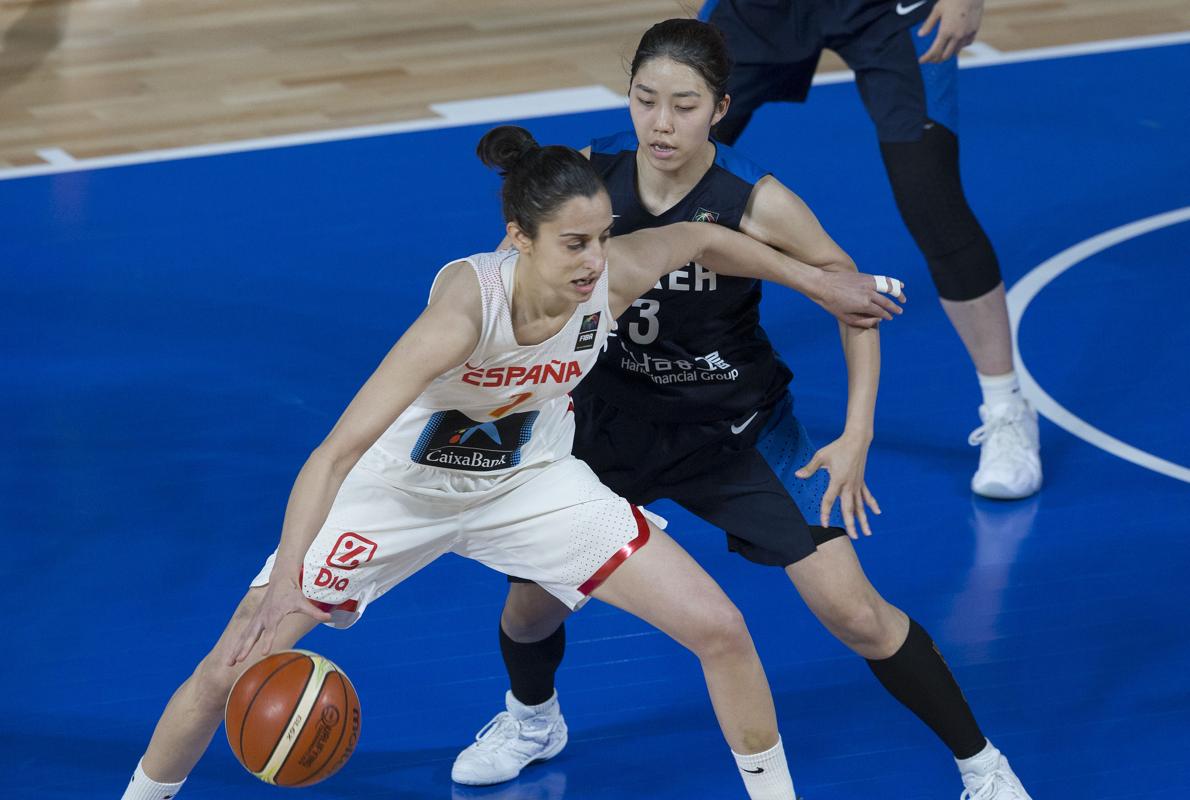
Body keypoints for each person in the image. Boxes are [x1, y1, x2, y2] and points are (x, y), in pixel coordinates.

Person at [117, 124, 907, 800]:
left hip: (531, 486)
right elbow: (335, 453)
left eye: (601, 237)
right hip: (398, 495)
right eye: (574, 243)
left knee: (721, 628)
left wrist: (816, 282)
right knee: (231, 662)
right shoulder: (465, 311)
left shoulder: (611, 276)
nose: (596, 260)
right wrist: (289, 578)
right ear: (518, 238)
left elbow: (702, 237)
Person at [450, 20, 1031, 800]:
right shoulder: (591, 176)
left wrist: (855, 434)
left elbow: (849, 297)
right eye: (645, 99)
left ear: (720, 108)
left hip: (738, 433)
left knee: (855, 613)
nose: (661, 123)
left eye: (684, 105)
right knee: (530, 612)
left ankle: (982, 767)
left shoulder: (757, 201)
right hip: (603, 429)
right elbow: (521, 280)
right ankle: (532, 717)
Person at [701, 0, 1041, 499]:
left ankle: (1007, 407)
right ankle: (606, 372)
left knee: (931, 198)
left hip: (889, 9)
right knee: (666, 162)